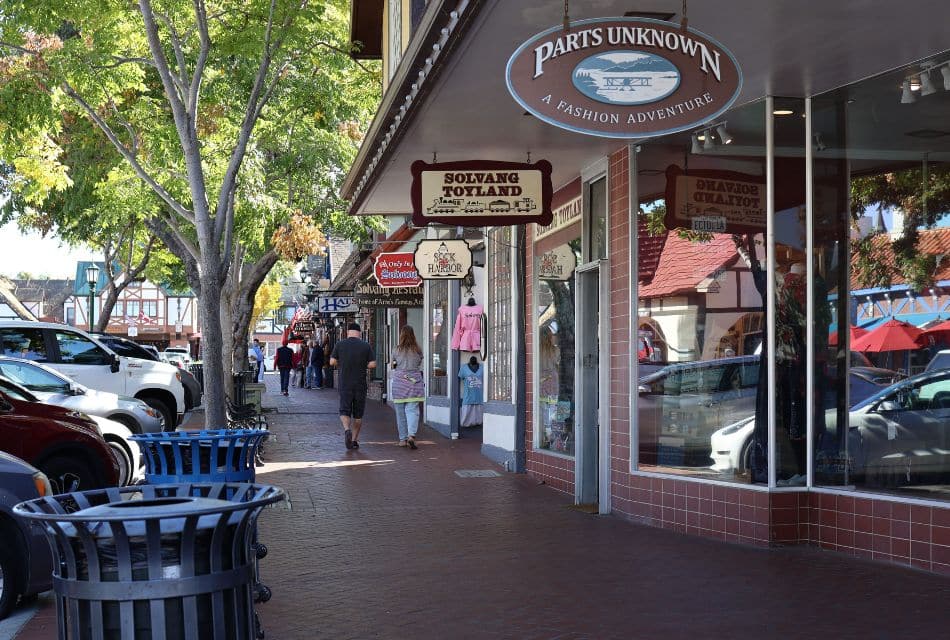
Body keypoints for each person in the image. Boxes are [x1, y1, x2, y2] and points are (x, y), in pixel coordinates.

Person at [330, 322, 376, 450]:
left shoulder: (340, 344)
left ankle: (346, 430)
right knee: (358, 414)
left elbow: (332, 361)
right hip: (360, 384)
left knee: (344, 410)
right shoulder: (365, 346)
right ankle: (354, 440)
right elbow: (373, 364)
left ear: (347, 332)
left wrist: (342, 363)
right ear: (359, 333)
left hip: (345, 382)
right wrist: (362, 365)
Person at [390, 325, 424, 449]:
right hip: (414, 381)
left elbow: (393, 365)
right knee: (413, 410)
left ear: (401, 335)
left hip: (399, 381)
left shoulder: (396, 349)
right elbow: (419, 361)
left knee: (400, 412)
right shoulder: (418, 349)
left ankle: (402, 439)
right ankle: (411, 435)